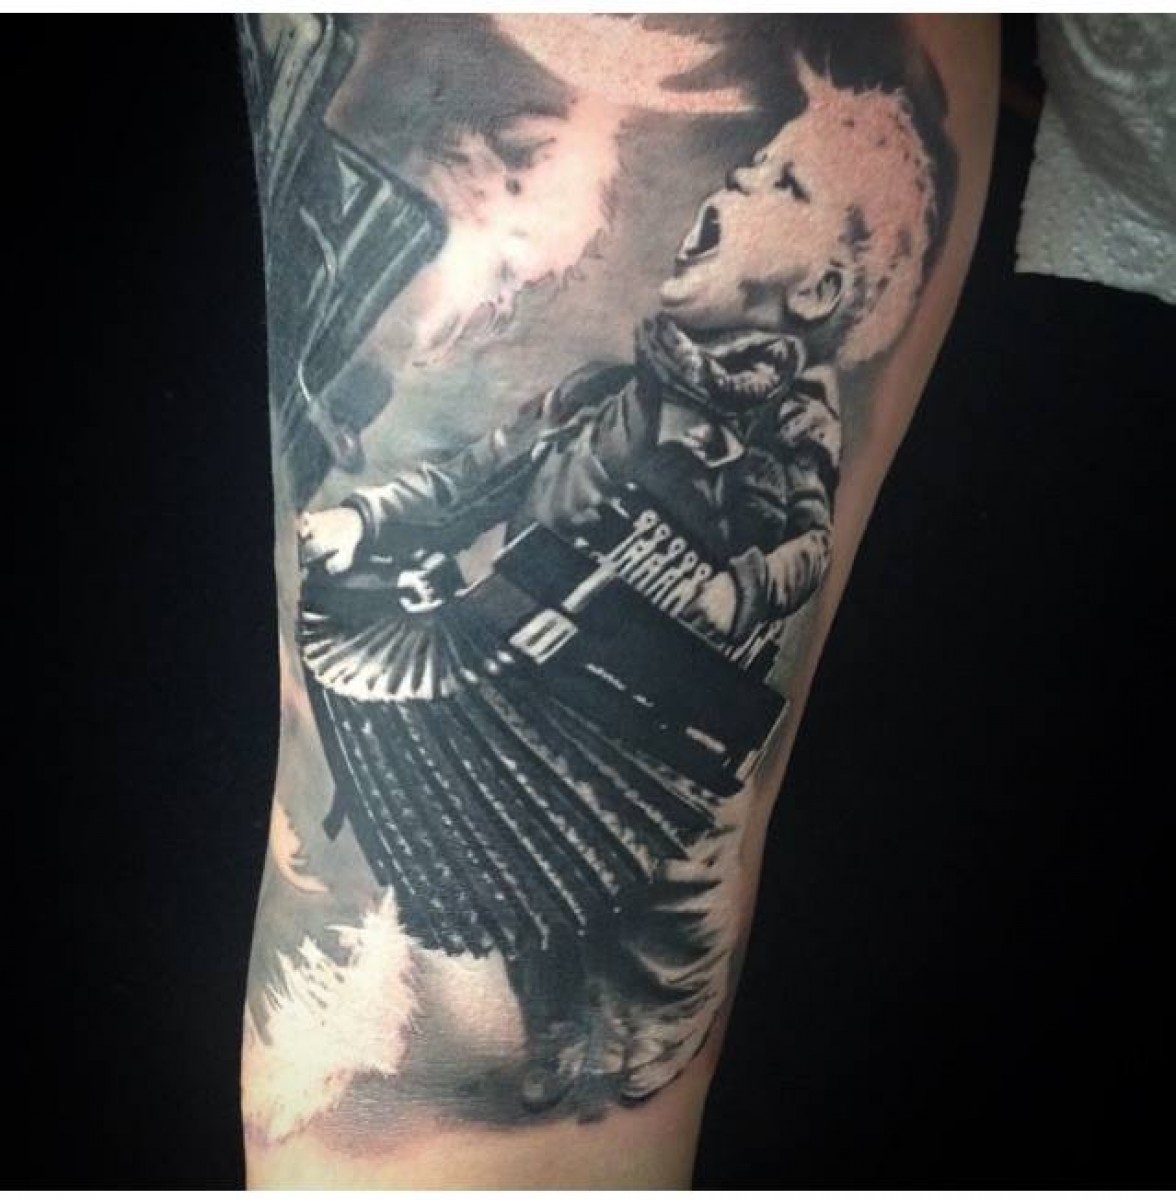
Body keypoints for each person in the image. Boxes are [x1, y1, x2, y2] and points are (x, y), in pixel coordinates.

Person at [242, 15, 998, 1187]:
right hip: (537, 689)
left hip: (645, 736)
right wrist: (371, 520)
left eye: (780, 183)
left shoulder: (789, 424)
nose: (735, 183)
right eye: (752, 163)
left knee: (617, 975)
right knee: (520, 925)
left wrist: (732, 587)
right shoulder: (607, 392)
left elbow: (800, 548)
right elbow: (476, 472)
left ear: (818, 287)